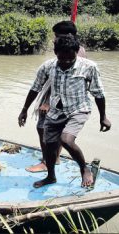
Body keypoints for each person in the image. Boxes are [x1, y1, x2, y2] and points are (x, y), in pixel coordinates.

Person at [18, 34, 111, 188]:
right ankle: (51, 176)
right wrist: (24, 110)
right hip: (55, 111)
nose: (66, 63)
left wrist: (103, 117)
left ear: (76, 52)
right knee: (49, 145)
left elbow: (98, 94)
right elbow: (35, 88)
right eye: (62, 59)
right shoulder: (48, 66)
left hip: (78, 109)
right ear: (56, 53)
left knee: (66, 140)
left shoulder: (89, 67)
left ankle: (84, 169)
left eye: (70, 59)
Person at [26, 21, 86, 173]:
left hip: (58, 100)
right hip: (57, 98)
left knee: (43, 128)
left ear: (69, 36)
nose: (54, 39)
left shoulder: (73, 52)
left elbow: (63, 83)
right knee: (54, 130)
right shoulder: (75, 49)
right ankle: (54, 158)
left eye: (57, 35)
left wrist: (47, 103)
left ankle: (48, 161)